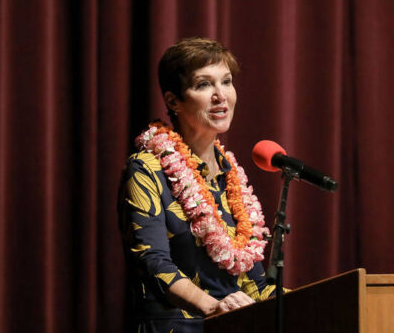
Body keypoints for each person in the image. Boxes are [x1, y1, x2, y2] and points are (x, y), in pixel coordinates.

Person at [118, 37, 276, 332]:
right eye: (204, 85)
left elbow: (254, 285)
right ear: (172, 101)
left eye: (226, 82)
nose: (221, 95)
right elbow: (153, 263)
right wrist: (213, 306)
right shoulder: (146, 169)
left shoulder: (232, 178)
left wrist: (321, 303)